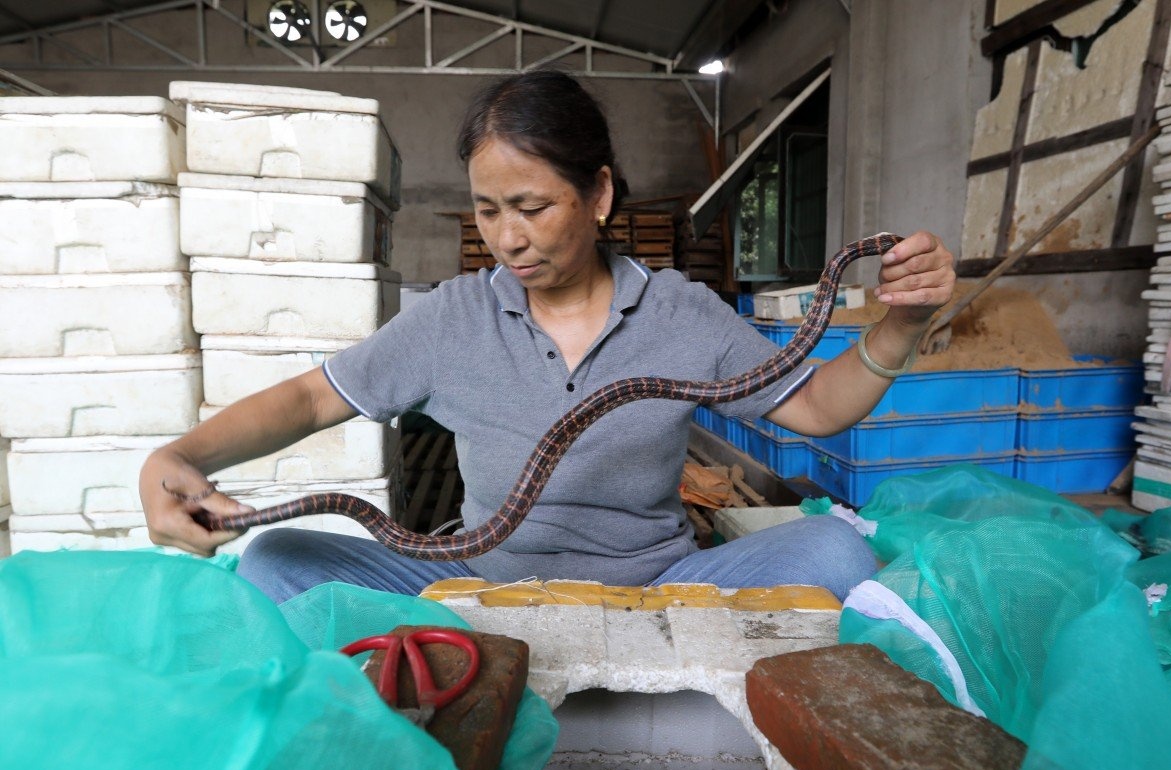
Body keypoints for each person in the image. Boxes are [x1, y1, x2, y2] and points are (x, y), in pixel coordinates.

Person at [139, 70, 955, 604]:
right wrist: (179, 460)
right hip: (479, 584)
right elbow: (314, 395)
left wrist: (902, 323)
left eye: (531, 208)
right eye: (487, 212)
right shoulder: (453, 317)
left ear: (599, 194)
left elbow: (814, 408)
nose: (508, 239)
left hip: (658, 586)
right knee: (276, 561)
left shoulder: (679, 311)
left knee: (838, 558)